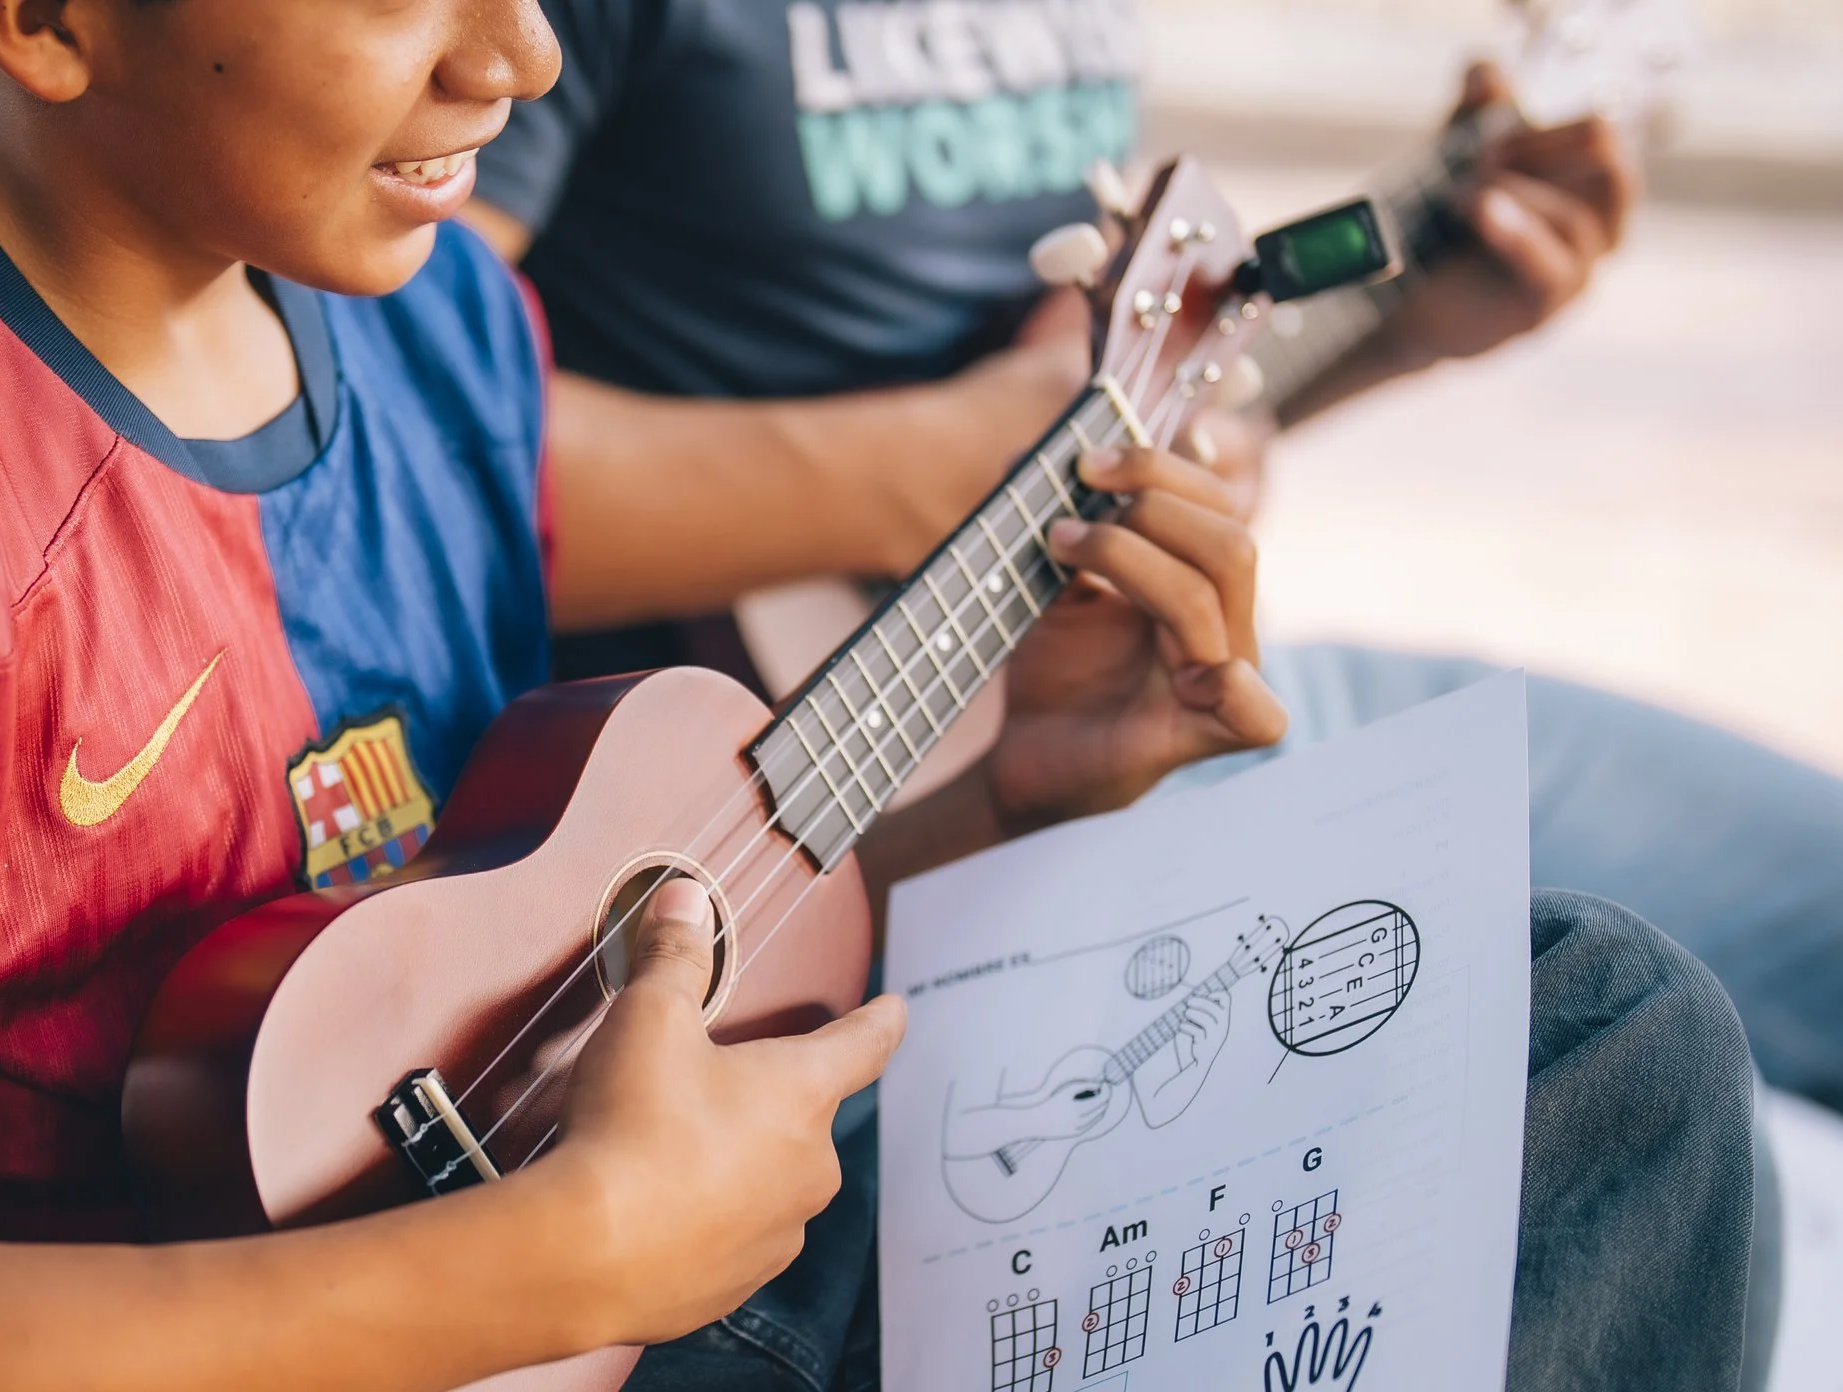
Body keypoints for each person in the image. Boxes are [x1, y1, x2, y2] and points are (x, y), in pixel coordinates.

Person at [0, 1, 1762, 1392]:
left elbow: (551, 976)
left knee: (1580, 1039)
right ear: (43, 16)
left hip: (620, 1292)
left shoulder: (412, 303)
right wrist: (547, 1267)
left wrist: (1007, 802)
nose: (521, 58)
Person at [459, 4, 1843, 1121]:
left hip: (1123, 705)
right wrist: (931, 468)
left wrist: (1406, 317)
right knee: (1647, 1101)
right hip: (816, 820)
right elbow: (393, 449)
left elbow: (1100, 393)